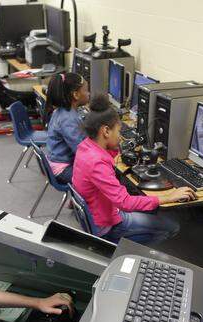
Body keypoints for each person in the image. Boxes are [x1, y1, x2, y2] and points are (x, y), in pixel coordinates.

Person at [72, 94, 193, 244]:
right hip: (106, 226)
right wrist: (169, 197)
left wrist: (118, 147)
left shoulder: (85, 146)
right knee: (172, 226)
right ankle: (130, 253)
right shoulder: (97, 163)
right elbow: (125, 203)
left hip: (96, 214)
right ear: (106, 131)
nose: (120, 136)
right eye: (118, 131)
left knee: (148, 204)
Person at [45, 72, 90, 183]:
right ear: (76, 95)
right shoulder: (68, 119)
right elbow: (81, 150)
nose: (89, 94)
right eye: (86, 90)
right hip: (63, 169)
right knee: (97, 179)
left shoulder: (63, 111)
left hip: (58, 161)